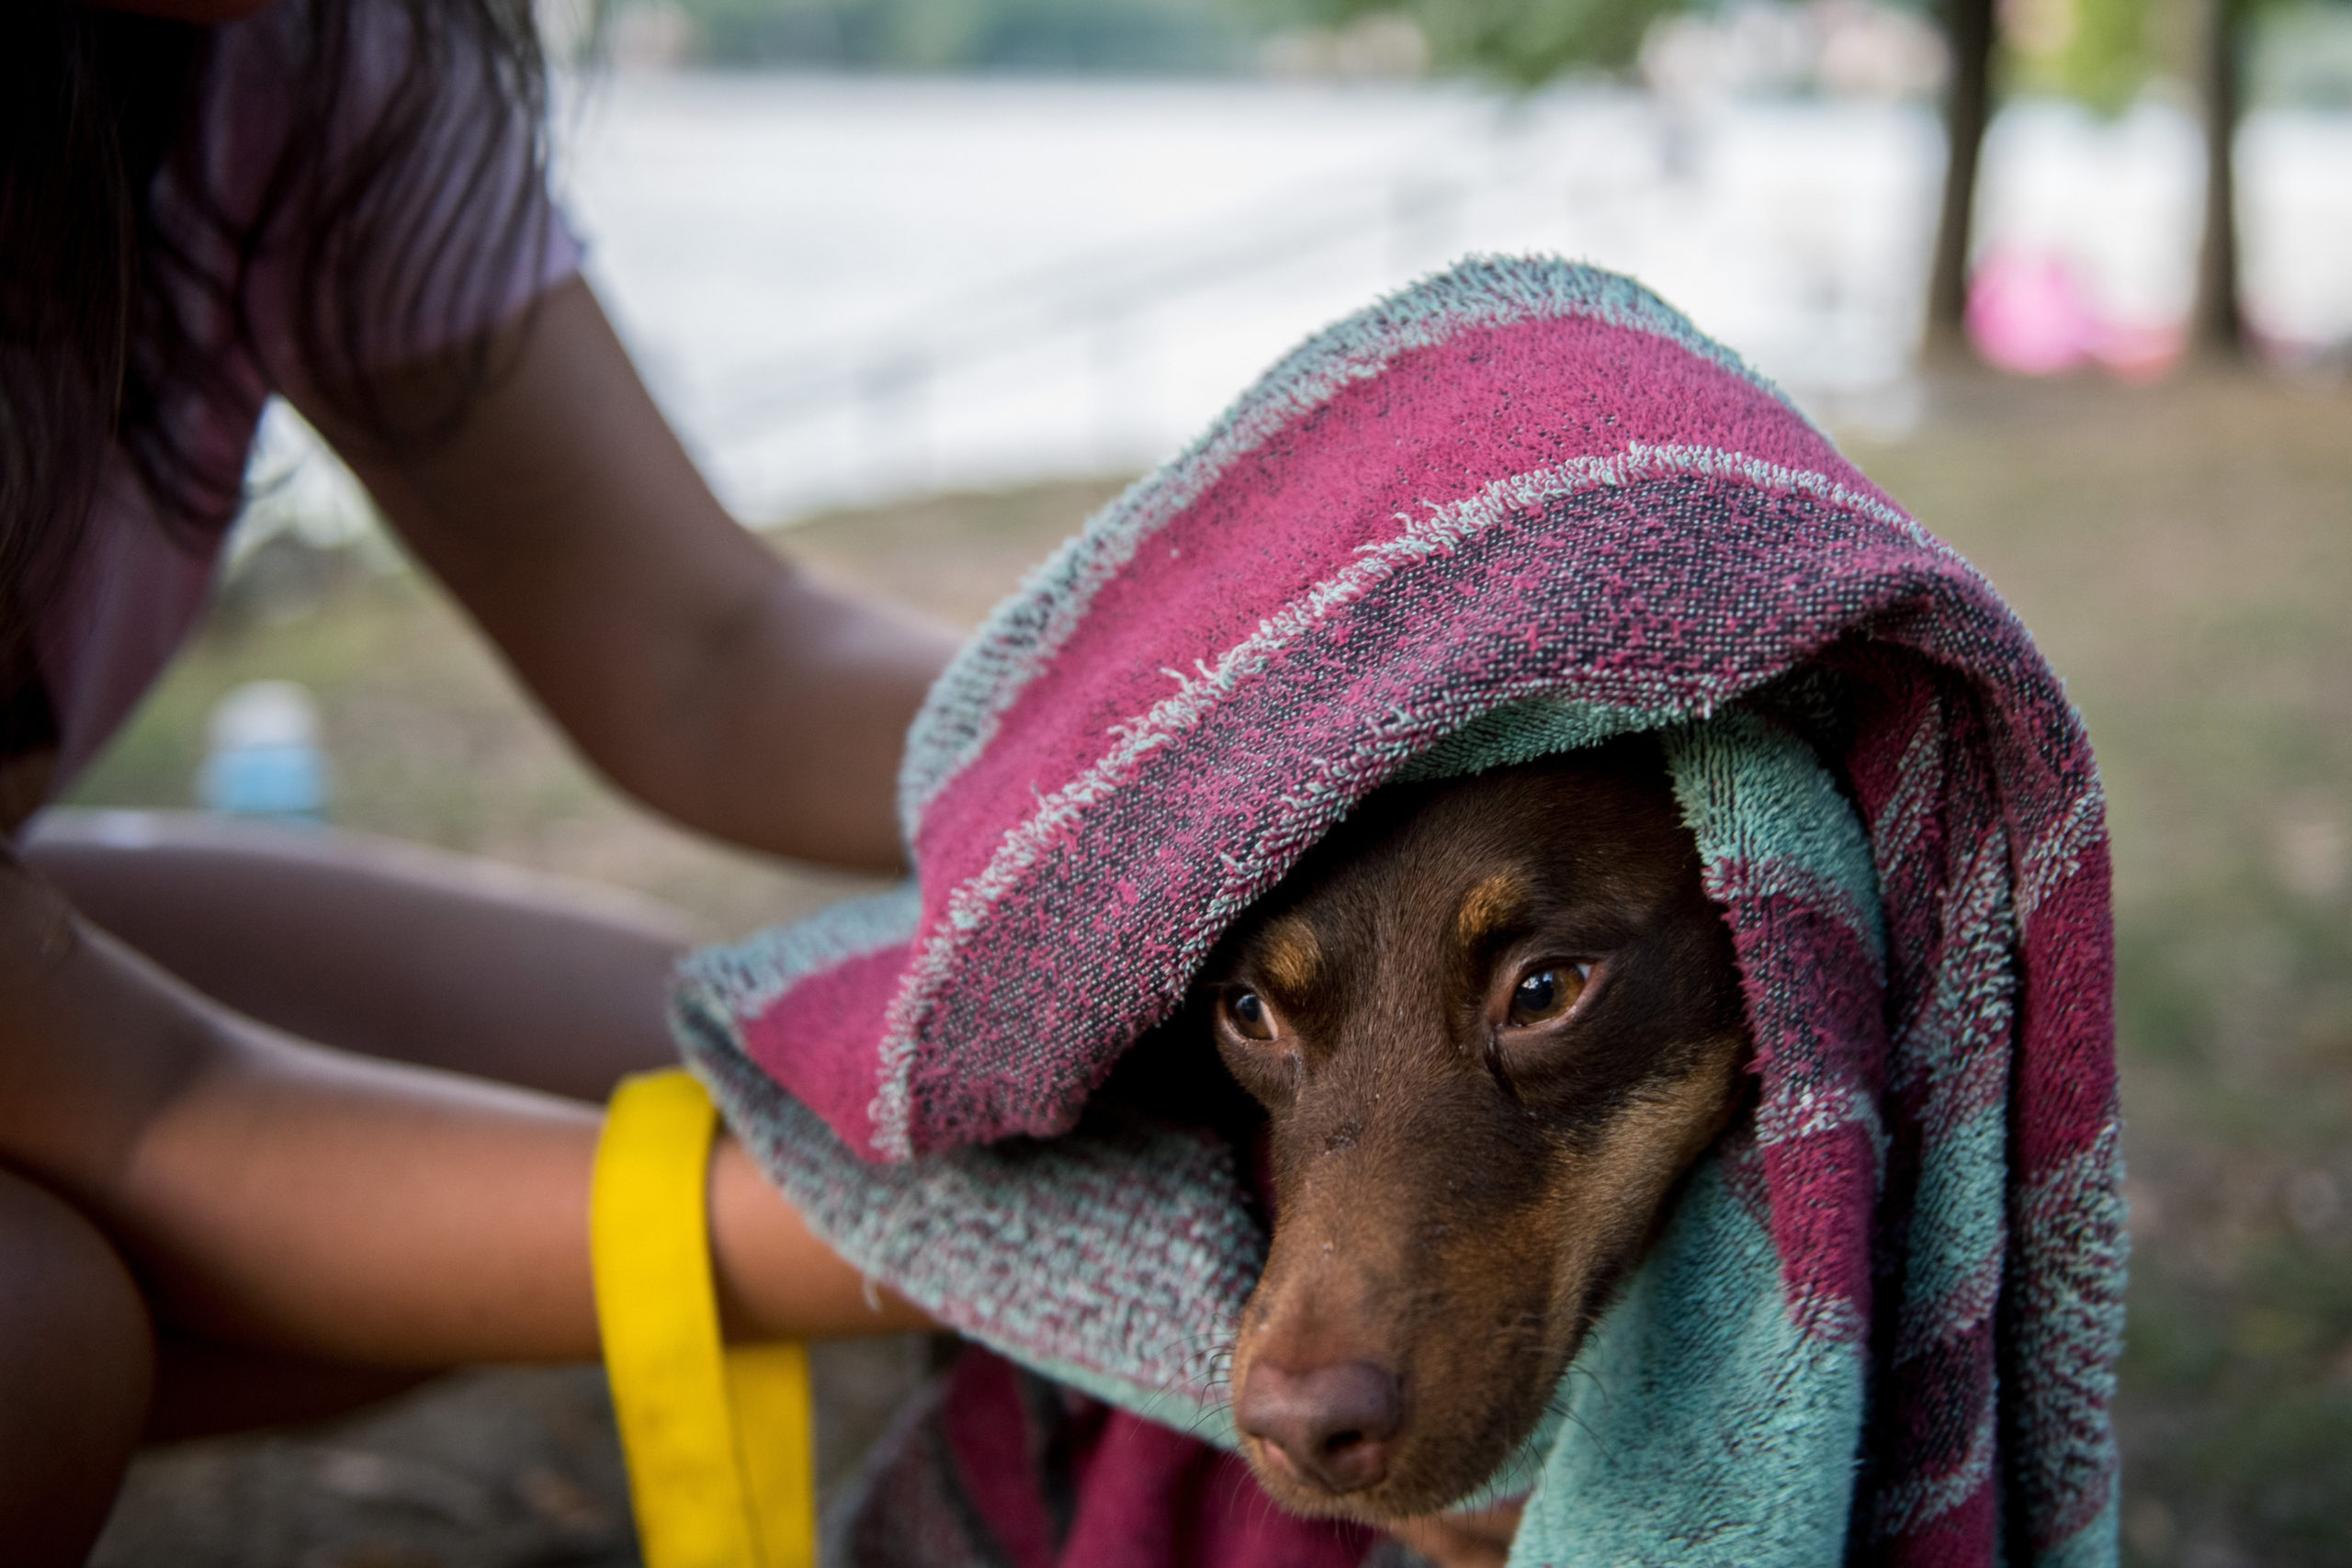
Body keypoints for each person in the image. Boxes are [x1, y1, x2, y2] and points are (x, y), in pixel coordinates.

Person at [0, 2, 943, 1560]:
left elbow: (714, 648)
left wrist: (1225, 772)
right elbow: (156, 1110)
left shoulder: (306, 53)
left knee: (727, 1056)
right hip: (73, 1059)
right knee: (33, 1326)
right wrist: (954, 1237)